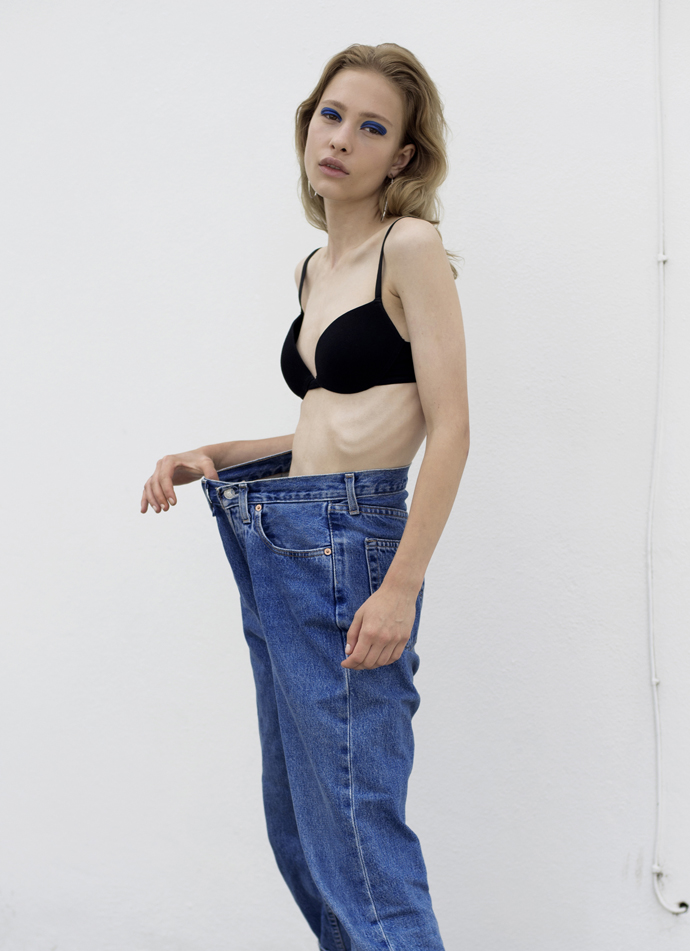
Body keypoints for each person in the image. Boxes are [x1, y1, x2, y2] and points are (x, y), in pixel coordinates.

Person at [141, 42, 469, 951]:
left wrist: (399, 587)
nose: (342, 139)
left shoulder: (410, 248)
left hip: (351, 547)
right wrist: (216, 454)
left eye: (372, 128)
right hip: (279, 535)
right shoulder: (318, 267)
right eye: (331, 115)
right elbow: (327, 422)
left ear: (402, 156)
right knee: (304, 835)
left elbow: (450, 427)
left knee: (360, 844)